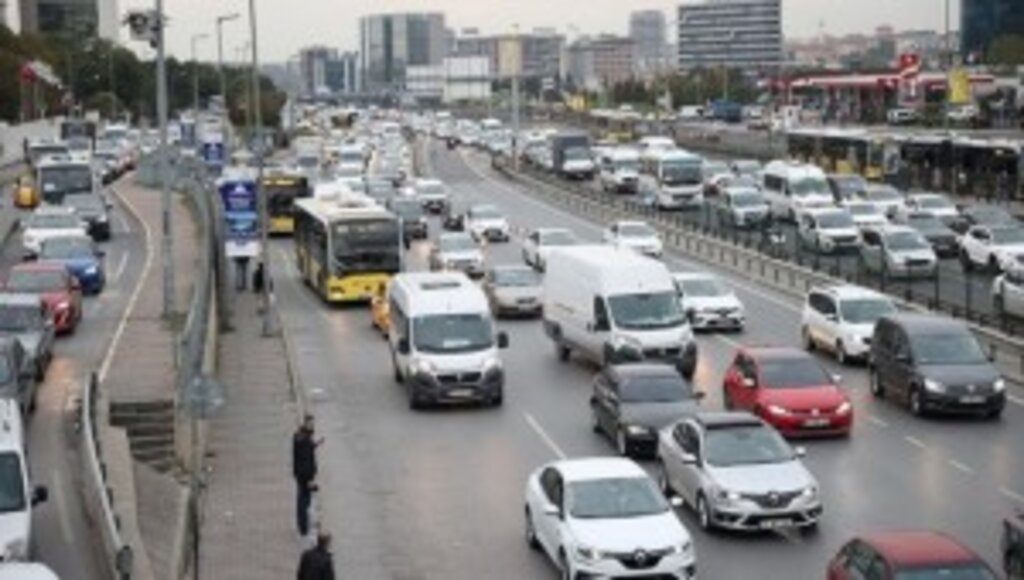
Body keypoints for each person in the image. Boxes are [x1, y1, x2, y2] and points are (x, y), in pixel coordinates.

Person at [292, 415, 322, 537]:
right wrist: (310, 479)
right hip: (305, 475)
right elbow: (306, 460)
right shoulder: (304, 440)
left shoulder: (299, 437)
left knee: (302, 499)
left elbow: (304, 450)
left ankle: (302, 524)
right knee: (304, 501)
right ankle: (303, 526)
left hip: (299, 473)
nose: (313, 425)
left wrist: (315, 445)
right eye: (311, 423)